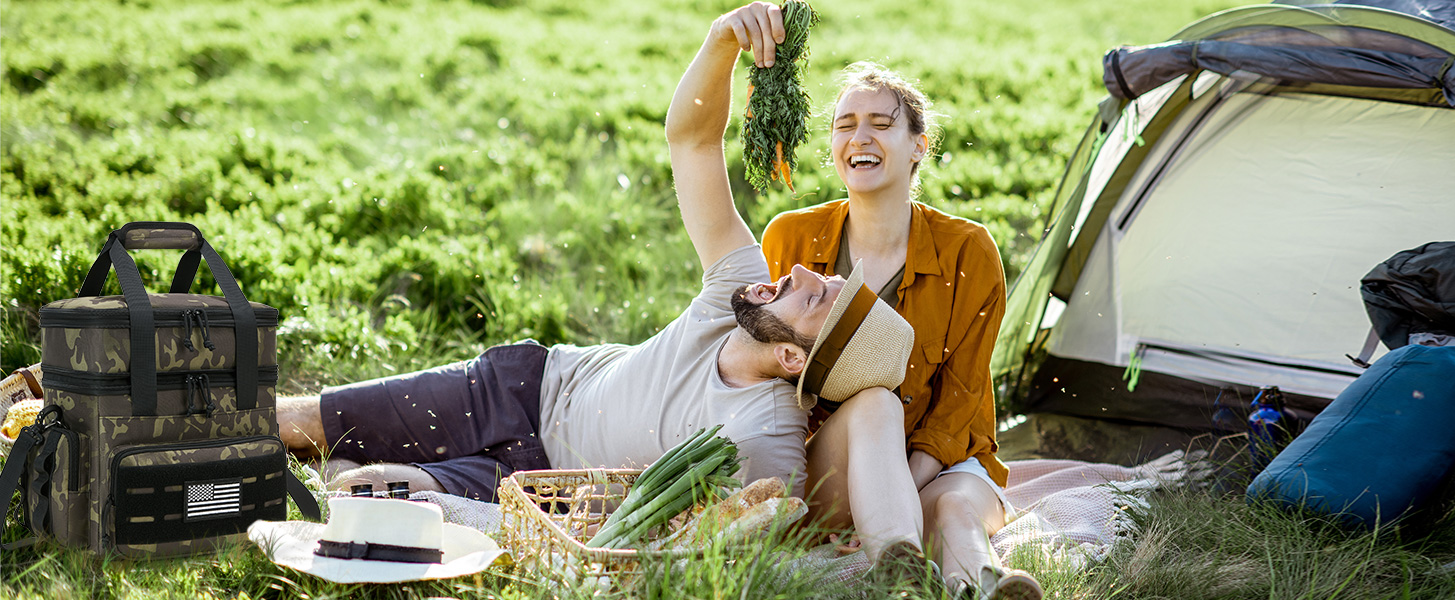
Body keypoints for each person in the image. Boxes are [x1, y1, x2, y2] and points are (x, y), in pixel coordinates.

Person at [277, 38, 916, 517]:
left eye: (812, 294)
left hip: (544, 490)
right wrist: (723, 40)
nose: (799, 270)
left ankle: (362, 470)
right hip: (526, 389)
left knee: (361, 492)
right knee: (298, 424)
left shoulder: (767, 441)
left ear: (788, 355)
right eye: (818, 277)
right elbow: (691, 142)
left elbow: (741, 531)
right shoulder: (738, 288)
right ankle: (189, 429)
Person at [701, 3, 1043, 598]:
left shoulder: (969, 251)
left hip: (939, 462)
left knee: (955, 513)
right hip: (831, 462)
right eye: (844, 125)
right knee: (874, 409)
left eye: (882, 124)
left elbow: (962, 399)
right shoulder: (792, 239)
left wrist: (902, 490)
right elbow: (767, 375)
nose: (859, 137)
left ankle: (986, 588)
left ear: (918, 146)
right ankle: (919, 568)